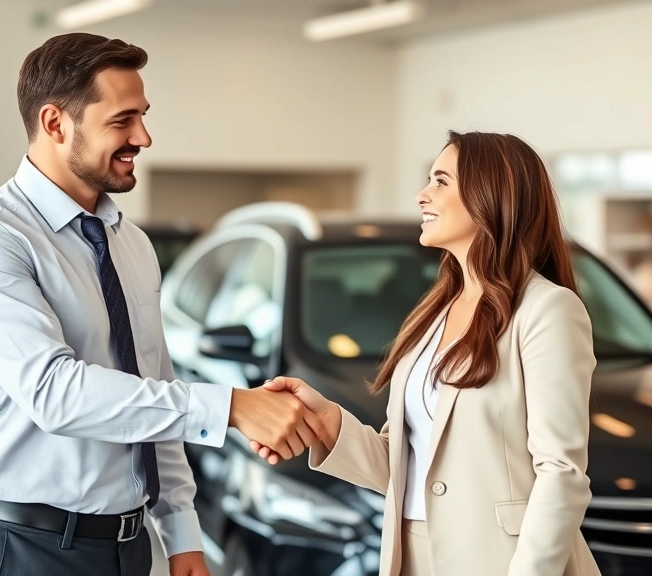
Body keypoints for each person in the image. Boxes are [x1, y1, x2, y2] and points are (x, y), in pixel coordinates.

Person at [0, 33, 321, 576]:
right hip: (19, 551)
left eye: (144, 116)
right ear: (55, 123)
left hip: (127, 550)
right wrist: (231, 407)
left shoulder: (130, 244)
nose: (144, 136)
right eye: (123, 120)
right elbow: (55, 393)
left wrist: (181, 532)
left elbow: (151, 384)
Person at [254, 131, 601, 576]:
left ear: (489, 197)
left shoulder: (547, 309)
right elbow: (410, 470)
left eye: (440, 181)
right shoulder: (437, 309)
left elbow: (562, 472)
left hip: (502, 561)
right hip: (412, 554)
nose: (422, 195)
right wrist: (330, 424)